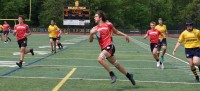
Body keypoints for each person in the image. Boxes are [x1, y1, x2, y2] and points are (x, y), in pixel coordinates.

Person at [89, 10, 135, 85]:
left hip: (110, 46)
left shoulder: (108, 24)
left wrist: (124, 35)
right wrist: (91, 34)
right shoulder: (94, 28)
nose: (94, 18)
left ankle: (112, 75)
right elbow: (90, 40)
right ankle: (129, 76)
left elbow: (116, 31)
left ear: (100, 17)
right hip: (104, 49)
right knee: (117, 65)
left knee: (100, 59)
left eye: (96, 16)